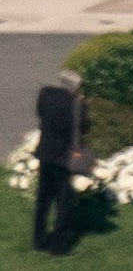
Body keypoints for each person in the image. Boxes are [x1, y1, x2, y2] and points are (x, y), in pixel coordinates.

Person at [34, 69, 87, 256]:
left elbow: (40, 113)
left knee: (43, 199)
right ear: (76, 87)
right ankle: (59, 246)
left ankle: (39, 239)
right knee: (64, 203)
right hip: (64, 158)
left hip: (45, 152)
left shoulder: (46, 93)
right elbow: (82, 128)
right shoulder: (76, 103)